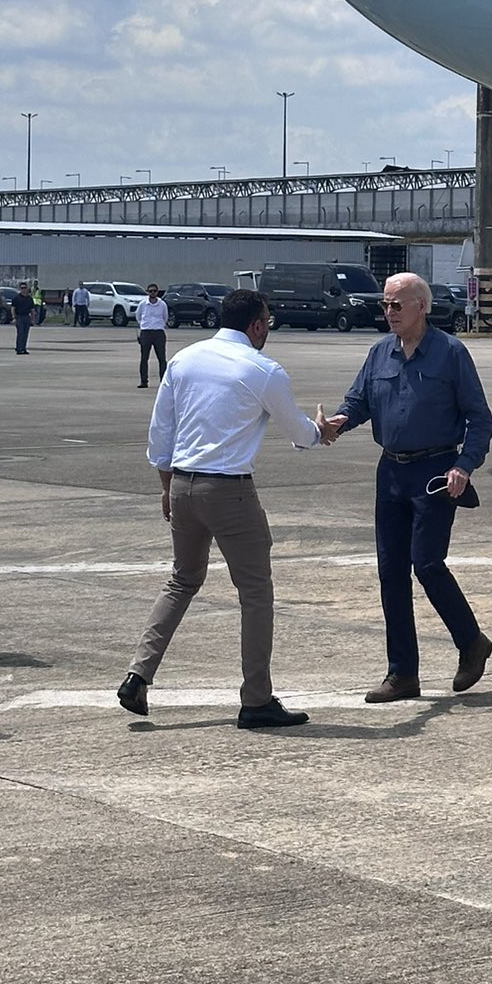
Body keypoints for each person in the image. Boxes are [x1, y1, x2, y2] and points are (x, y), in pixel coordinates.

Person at [117, 289, 319, 729]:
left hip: (183, 485)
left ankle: (138, 674)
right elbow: (301, 435)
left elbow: (161, 432)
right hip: (229, 491)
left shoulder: (185, 360)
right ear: (257, 325)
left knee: (182, 580)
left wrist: (166, 488)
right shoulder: (262, 369)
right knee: (255, 593)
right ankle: (256, 699)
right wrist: (321, 430)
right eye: (267, 323)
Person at [318, 272, 492, 701]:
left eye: (396, 304)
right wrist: (338, 423)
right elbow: (358, 402)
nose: (388, 312)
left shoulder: (450, 353)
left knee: (427, 562)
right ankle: (402, 674)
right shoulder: (380, 352)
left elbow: (479, 419)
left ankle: (471, 641)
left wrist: (464, 466)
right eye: (385, 304)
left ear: (422, 306)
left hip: (435, 472)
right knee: (390, 572)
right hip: (391, 473)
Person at [137, 283, 169, 387]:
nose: (152, 293)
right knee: (144, 358)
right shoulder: (143, 304)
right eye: (150, 291)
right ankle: (144, 381)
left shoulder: (162, 304)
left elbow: (165, 317)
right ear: (147, 292)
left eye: (154, 291)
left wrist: (159, 325)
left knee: (162, 358)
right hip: (146, 332)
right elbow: (138, 317)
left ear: (157, 292)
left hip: (158, 332)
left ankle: (163, 381)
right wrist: (144, 326)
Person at [11, 279, 36, 355]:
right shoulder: (16, 298)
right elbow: (13, 308)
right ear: (20, 289)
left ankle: (23, 348)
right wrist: (14, 318)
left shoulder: (29, 299)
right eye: (22, 288)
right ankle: (19, 348)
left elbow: (32, 309)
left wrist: (33, 319)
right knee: (20, 333)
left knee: (25, 334)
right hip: (19, 317)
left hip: (27, 317)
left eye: (25, 288)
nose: (23, 289)